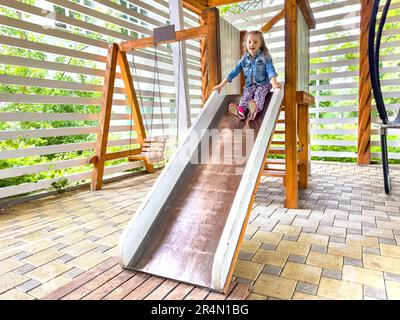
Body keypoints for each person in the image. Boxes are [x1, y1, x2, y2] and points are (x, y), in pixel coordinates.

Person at [213, 30, 281, 121]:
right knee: (245, 98)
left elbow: (270, 70)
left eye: (255, 42)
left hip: (263, 84)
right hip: (249, 86)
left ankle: (255, 109)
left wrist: (274, 83)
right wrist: (221, 85)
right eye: (249, 42)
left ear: (260, 44)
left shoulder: (265, 57)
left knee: (259, 94)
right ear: (246, 43)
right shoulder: (244, 59)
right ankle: (241, 112)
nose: (251, 44)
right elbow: (233, 72)